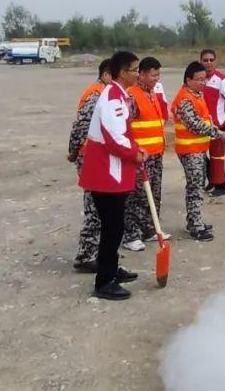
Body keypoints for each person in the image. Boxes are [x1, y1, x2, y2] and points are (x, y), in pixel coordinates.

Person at [78, 51, 145, 300]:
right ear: (121, 72)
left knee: (115, 226)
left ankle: (112, 268)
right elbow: (114, 139)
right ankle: (104, 281)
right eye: (134, 70)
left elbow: (125, 132)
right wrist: (134, 154)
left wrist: (138, 149)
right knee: (112, 228)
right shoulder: (112, 98)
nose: (137, 74)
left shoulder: (121, 95)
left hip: (115, 171)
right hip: (106, 174)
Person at [172, 61, 225, 239]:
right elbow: (195, 125)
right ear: (188, 80)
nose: (202, 82)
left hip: (198, 149)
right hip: (189, 150)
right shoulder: (185, 98)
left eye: (204, 79)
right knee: (195, 188)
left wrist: (219, 131)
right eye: (198, 79)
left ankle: (195, 221)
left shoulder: (197, 95)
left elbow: (206, 120)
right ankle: (195, 227)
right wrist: (219, 133)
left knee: (198, 187)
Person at [67, 58, 113, 272]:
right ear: (106, 75)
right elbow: (80, 127)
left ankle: (95, 251)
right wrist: (74, 151)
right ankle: (86, 256)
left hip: (96, 156)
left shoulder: (104, 93)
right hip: (89, 156)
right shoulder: (96, 95)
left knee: (99, 207)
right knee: (94, 207)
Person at [122, 56, 170, 251]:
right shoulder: (131, 96)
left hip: (156, 154)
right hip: (139, 156)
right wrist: (133, 150)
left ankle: (150, 229)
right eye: (153, 75)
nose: (156, 78)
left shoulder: (153, 93)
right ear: (141, 74)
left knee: (154, 194)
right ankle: (131, 235)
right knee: (136, 196)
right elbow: (124, 126)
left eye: (158, 74)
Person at [200, 49, 225, 197]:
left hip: (217, 126)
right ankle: (212, 181)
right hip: (201, 126)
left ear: (215, 61)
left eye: (211, 60)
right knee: (201, 156)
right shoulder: (198, 79)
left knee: (217, 157)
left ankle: (221, 185)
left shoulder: (222, 80)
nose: (208, 63)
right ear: (200, 61)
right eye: (205, 60)